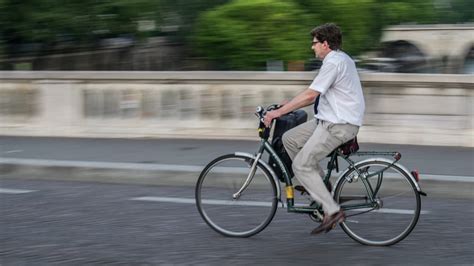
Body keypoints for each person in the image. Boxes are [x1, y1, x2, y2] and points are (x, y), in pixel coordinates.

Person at [263, 23, 365, 234]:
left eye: (314, 43)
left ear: (325, 44)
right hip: (328, 120)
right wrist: (287, 105)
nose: (312, 47)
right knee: (289, 139)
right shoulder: (340, 58)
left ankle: (332, 210)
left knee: (300, 165)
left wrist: (277, 113)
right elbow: (312, 93)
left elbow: (311, 95)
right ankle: (320, 186)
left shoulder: (334, 63)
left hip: (338, 125)